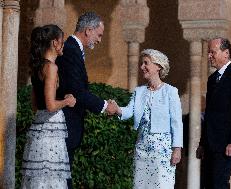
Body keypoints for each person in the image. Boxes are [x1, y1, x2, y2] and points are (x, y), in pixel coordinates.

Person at [55, 12, 116, 188]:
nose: (99, 40)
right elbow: (77, 91)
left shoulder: (74, 49)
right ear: (89, 30)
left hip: (69, 125)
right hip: (65, 124)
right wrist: (105, 106)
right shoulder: (71, 50)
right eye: (99, 35)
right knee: (62, 179)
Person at [110, 49, 183, 189]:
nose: (142, 67)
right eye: (141, 63)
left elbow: (176, 122)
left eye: (146, 63)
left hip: (163, 151)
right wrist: (117, 109)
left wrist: (177, 149)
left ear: (158, 66)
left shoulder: (170, 91)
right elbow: (128, 111)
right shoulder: (139, 91)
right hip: (142, 148)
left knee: (161, 186)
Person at [21, 25, 76, 188]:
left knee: (38, 178)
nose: (63, 46)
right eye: (62, 42)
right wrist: (67, 101)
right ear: (55, 43)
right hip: (51, 130)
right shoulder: (51, 67)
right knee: (51, 178)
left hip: (39, 127)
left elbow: (35, 105)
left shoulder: (37, 67)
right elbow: (51, 105)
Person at [196, 37, 231, 189]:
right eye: (208, 52)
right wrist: (202, 143)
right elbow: (209, 114)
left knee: (219, 184)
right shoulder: (212, 79)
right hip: (210, 144)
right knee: (207, 184)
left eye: (212, 52)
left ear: (226, 53)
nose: (209, 56)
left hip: (226, 142)